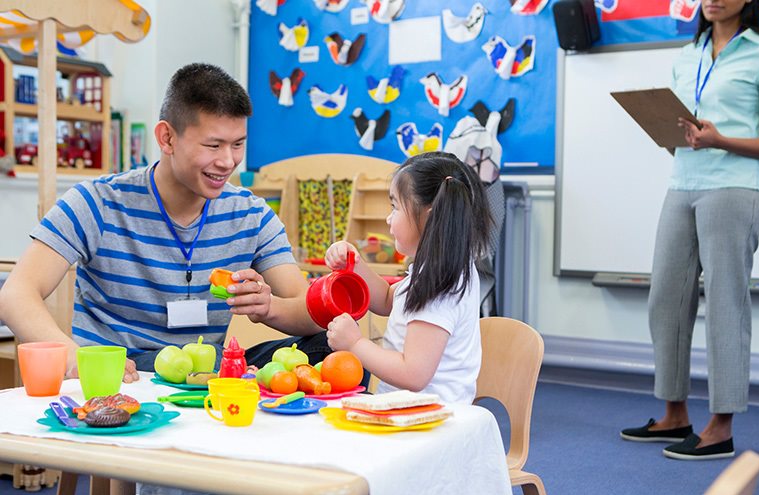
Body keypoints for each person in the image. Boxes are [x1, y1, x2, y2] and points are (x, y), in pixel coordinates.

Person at [0, 63, 329, 382]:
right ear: (167, 138)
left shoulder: (251, 215)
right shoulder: (97, 202)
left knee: (334, 346)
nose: (227, 161)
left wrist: (270, 307)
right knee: (176, 364)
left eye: (238, 144)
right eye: (213, 145)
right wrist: (72, 357)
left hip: (206, 366)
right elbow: (15, 294)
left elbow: (310, 311)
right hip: (124, 367)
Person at [620, 0, 759, 460]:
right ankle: (674, 414)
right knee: (666, 299)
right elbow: (684, 128)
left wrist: (720, 140)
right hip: (683, 183)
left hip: (735, 188)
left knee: (724, 307)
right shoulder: (689, 53)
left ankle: (721, 426)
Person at [323, 152, 492, 404]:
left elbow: (413, 374)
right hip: (411, 410)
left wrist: (355, 343)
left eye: (395, 207)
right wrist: (356, 266)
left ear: (429, 217)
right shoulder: (438, 268)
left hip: (427, 417)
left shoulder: (440, 283)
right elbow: (389, 299)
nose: (388, 219)